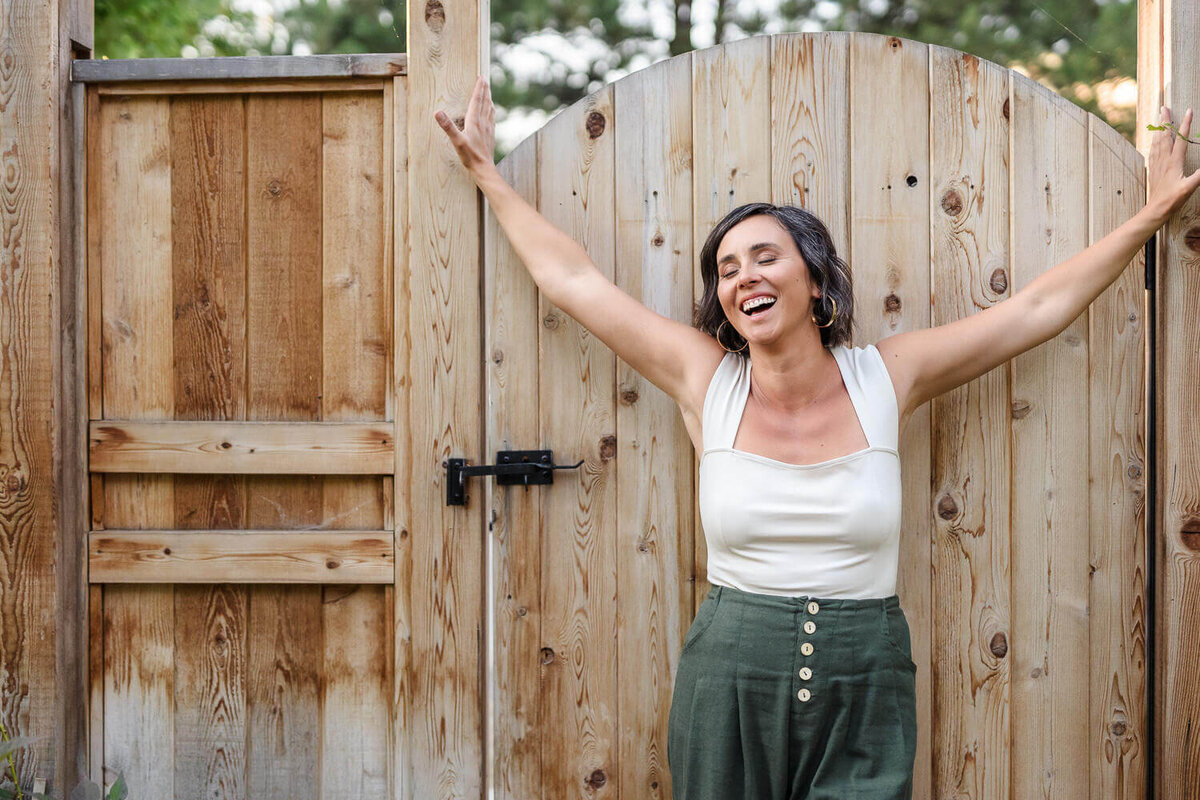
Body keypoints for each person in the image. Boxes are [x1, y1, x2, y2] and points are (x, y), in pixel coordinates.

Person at [435, 76, 1200, 799]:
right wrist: (487, 175)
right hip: (728, 673)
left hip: (866, 678)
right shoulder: (707, 381)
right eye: (726, 269)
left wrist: (1153, 212)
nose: (743, 277)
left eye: (765, 256)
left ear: (814, 278)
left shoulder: (885, 378)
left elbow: (1035, 310)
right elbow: (573, 282)